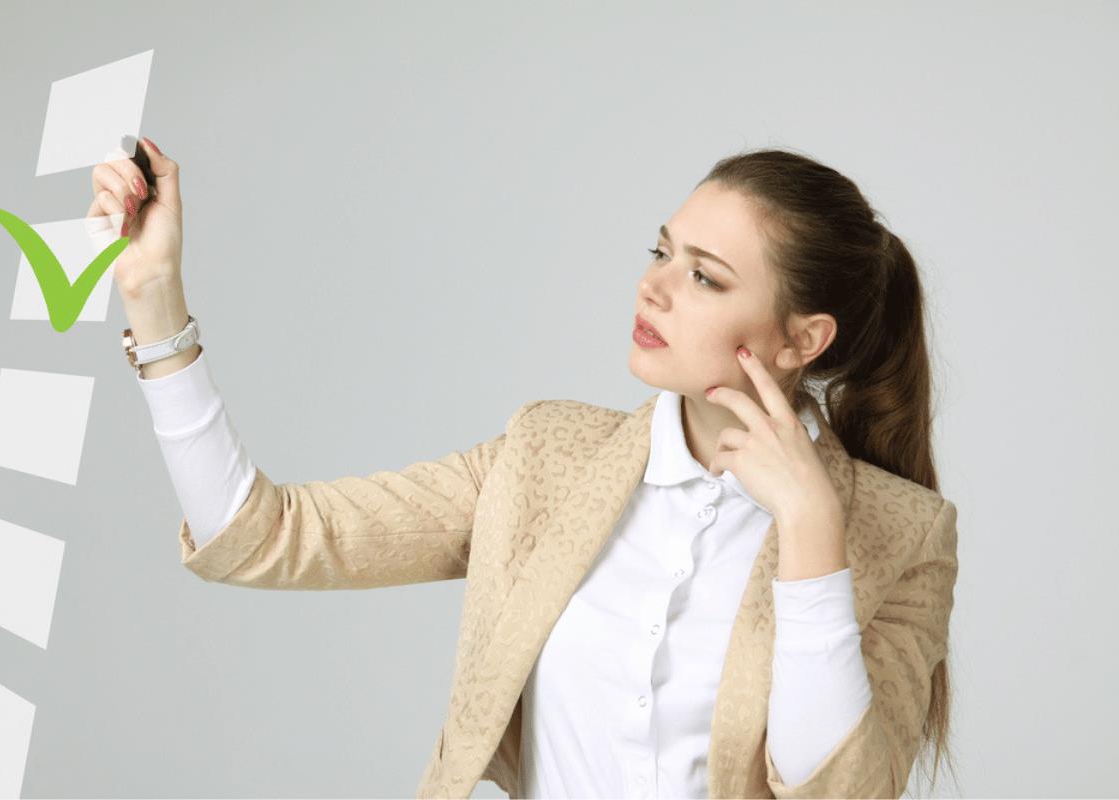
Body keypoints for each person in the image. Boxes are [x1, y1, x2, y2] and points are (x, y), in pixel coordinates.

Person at [90, 143, 959, 799]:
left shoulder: (902, 534)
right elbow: (259, 538)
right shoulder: (545, 458)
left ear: (804, 339)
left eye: (704, 277)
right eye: (660, 253)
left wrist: (812, 531)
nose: (653, 289)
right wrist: (154, 300)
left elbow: (843, 791)